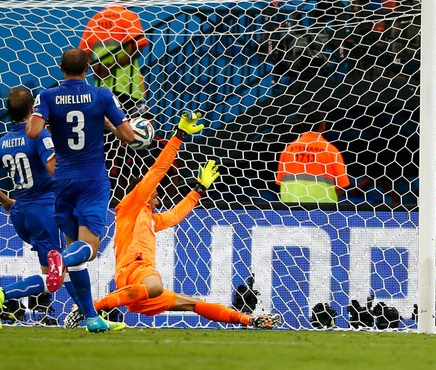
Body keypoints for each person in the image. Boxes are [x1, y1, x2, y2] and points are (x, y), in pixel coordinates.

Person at [64, 112, 281, 330]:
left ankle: (249, 320)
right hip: (134, 272)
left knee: (192, 303)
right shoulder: (130, 207)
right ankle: (89, 308)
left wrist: (199, 190)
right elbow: (158, 170)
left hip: (140, 286)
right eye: (155, 194)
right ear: (142, 191)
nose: (158, 198)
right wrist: (179, 136)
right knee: (156, 286)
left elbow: (176, 216)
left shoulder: (150, 219)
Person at [26, 48, 135, 333]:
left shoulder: (47, 96)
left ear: (61, 69)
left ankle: (90, 317)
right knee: (87, 251)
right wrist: (112, 125)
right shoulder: (101, 95)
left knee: (73, 247)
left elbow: (33, 132)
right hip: (92, 179)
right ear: (88, 68)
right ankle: (60, 261)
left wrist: (49, 115)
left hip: (62, 180)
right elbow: (127, 136)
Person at [0, 87, 62, 326]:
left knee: (50, 265)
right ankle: (11, 297)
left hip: (19, 212)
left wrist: (6, 202)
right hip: (42, 209)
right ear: (32, 109)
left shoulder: (4, 141)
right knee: (57, 271)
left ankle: (33, 307)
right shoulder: (38, 135)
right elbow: (54, 171)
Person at [78, 5, 148, 118]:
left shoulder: (96, 18)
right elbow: (138, 48)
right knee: (129, 127)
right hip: (127, 84)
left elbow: (83, 52)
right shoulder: (128, 16)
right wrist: (111, 67)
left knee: (106, 129)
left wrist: (97, 67)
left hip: (102, 86)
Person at [276, 113, 350, 203]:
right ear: (322, 125)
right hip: (323, 211)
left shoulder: (288, 150)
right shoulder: (331, 150)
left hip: (291, 210)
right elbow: (341, 186)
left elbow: (280, 182)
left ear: (302, 125)